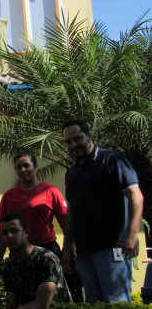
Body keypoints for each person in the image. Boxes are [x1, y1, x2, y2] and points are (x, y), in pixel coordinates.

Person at [61, 120, 143, 303]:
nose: (73, 145)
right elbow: (71, 212)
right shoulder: (72, 172)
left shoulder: (111, 159)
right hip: (83, 253)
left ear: (89, 136)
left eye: (77, 139)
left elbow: (136, 197)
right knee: (94, 304)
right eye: (68, 141)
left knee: (117, 302)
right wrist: (66, 249)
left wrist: (132, 235)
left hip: (112, 249)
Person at [0, 152, 68, 261]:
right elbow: (2, 231)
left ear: (36, 166)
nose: (22, 170)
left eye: (26, 165)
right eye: (18, 167)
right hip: (18, 254)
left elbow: (67, 227)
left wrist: (68, 252)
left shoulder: (51, 191)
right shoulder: (8, 196)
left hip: (47, 250)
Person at [0, 213, 72, 309]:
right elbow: (11, 306)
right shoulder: (9, 267)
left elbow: (42, 304)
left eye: (14, 231)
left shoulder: (46, 258)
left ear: (26, 232)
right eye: (4, 233)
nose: (9, 236)